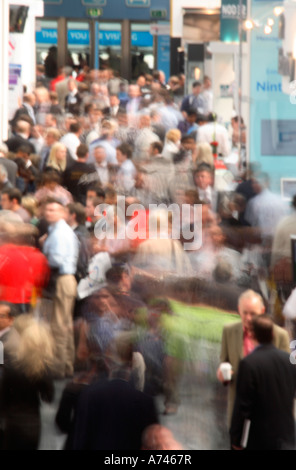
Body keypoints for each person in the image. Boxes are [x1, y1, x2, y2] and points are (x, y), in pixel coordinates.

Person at [72, 332, 159, 450]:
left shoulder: (89, 394)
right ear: (134, 360)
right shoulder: (145, 401)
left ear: (109, 359)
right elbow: (153, 444)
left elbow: (80, 441)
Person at [217, 289, 291, 429]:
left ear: (262, 311)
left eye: (253, 314)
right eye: (245, 313)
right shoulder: (229, 331)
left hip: (270, 415)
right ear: (239, 310)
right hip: (240, 412)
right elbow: (224, 362)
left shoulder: (280, 335)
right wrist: (223, 375)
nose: (249, 318)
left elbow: (285, 374)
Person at [230, 314, 296, 450]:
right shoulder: (289, 360)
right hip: (287, 438)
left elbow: (242, 406)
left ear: (252, 335)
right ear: (272, 334)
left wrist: (236, 440)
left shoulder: (248, 364)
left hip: (260, 439)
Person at [0, 315, 55, 450]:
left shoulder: (11, 366)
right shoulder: (43, 370)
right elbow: (49, 397)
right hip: (32, 423)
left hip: (11, 423)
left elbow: (2, 397)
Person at [42, 199, 79, 379]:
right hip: (65, 280)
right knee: (64, 326)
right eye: (47, 210)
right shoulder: (57, 231)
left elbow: (55, 260)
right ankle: (65, 366)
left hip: (62, 279)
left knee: (59, 326)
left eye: (54, 210)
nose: (49, 213)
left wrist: (43, 256)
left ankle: (57, 369)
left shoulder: (60, 233)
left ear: (63, 213)